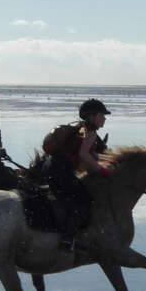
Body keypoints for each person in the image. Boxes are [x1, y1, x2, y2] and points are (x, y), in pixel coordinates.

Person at [38, 98, 110, 251]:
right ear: (92, 116)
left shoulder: (79, 128)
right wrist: (101, 170)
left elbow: (87, 155)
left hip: (50, 167)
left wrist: (101, 162)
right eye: (101, 115)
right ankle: (67, 238)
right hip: (60, 171)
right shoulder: (90, 133)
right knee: (84, 200)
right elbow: (84, 154)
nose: (104, 118)